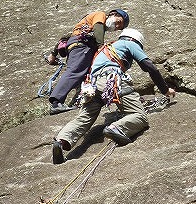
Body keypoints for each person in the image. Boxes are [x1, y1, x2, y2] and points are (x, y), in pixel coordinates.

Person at [51, 28, 176, 164]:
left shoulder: (103, 49)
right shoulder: (129, 43)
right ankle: (117, 127)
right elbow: (149, 66)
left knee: (84, 117)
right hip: (112, 80)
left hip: (92, 86)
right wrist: (165, 90)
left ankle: (62, 141)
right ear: (135, 41)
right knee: (139, 116)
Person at [47, 9, 129, 115]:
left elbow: (67, 36)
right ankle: (56, 102)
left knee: (82, 77)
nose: (116, 26)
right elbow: (98, 27)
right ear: (113, 14)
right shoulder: (100, 15)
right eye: (118, 22)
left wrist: (53, 54)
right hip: (81, 47)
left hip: (80, 47)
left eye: (118, 28)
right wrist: (100, 47)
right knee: (75, 71)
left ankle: (76, 103)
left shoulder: (86, 25)